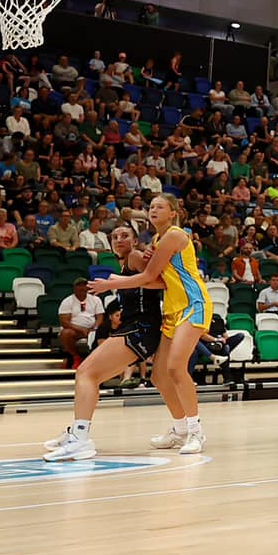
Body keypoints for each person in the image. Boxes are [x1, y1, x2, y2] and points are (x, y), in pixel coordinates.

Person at [58, 195, 216, 457]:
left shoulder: (174, 236)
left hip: (194, 304)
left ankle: (195, 430)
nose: (153, 210)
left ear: (173, 213)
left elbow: (148, 276)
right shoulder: (156, 242)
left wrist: (111, 283)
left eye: (160, 207)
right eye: (151, 207)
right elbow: (156, 278)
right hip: (173, 310)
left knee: (176, 368)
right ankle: (179, 430)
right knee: (159, 376)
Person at [40, 223, 170, 460]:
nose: (119, 240)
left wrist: (114, 283)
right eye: (115, 237)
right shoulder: (126, 261)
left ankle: (80, 438)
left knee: (86, 374)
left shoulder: (135, 256)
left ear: (134, 240)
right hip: (134, 327)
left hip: (142, 328)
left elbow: (162, 281)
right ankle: (77, 431)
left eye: (125, 236)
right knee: (91, 376)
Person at [58, 277, 104, 367]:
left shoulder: (96, 299)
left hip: (92, 329)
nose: (82, 288)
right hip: (75, 330)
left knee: (104, 332)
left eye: (84, 285)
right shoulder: (67, 301)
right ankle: (75, 357)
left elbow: (100, 317)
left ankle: (97, 361)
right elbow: (64, 322)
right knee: (66, 333)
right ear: (74, 288)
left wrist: (95, 328)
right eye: (79, 286)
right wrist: (81, 329)